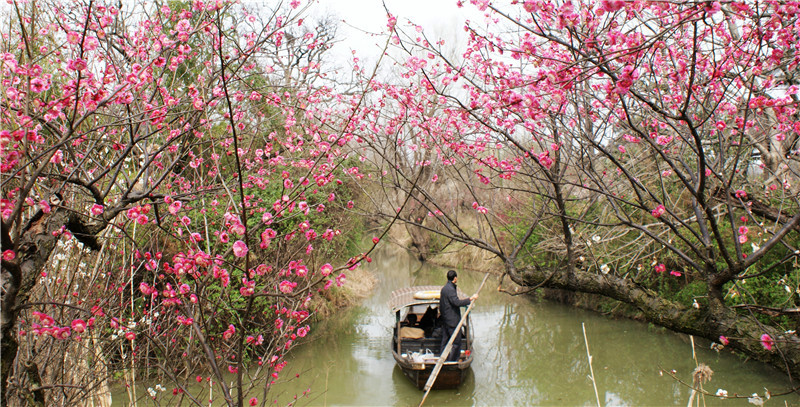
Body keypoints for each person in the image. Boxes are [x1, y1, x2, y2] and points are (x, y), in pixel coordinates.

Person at [439, 270, 478, 361]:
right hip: (452, 320)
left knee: (445, 340)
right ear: (455, 278)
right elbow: (456, 302)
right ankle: (452, 361)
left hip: (445, 319)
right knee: (456, 342)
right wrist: (470, 298)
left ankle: (442, 358)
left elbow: (442, 304)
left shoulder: (444, 288)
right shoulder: (450, 289)